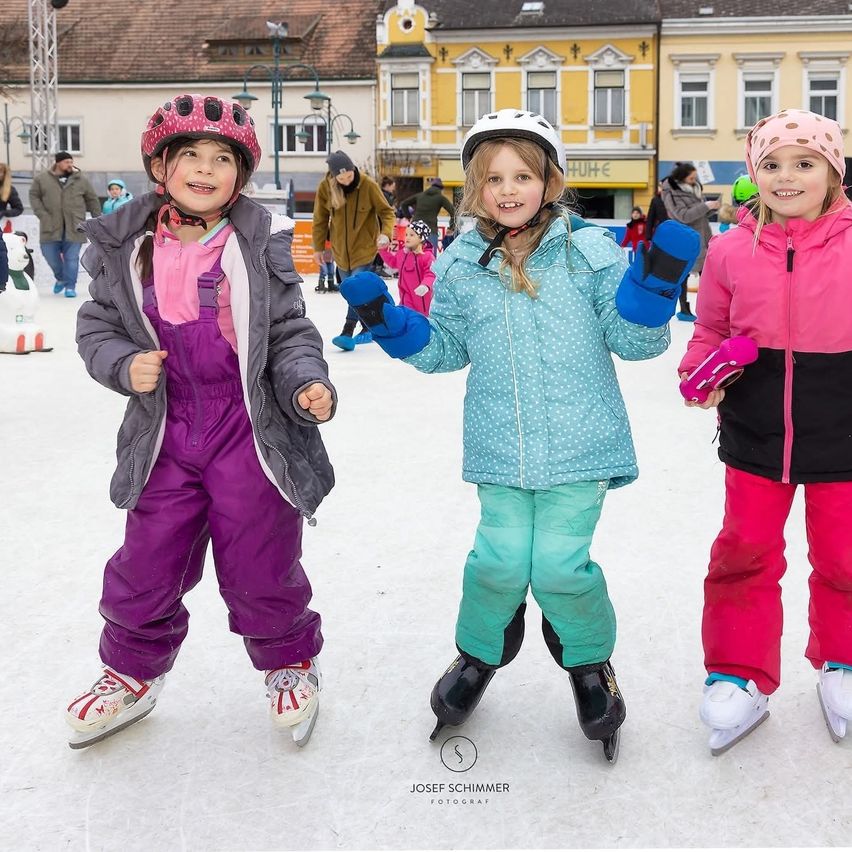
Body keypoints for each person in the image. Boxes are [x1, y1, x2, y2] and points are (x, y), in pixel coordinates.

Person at [338, 109, 699, 761]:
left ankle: (590, 667)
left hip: (580, 445)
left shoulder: (589, 253)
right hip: (501, 448)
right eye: (494, 178)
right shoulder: (460, 265)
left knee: (560, 568)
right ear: (475, 188)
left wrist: (650, 298)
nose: (508, 189)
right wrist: (394, 326)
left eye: (523, 175)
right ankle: (478, 656)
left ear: (549, 181)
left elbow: (631, 342)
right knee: (498, 564)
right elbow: (447, 348)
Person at [66, 93, 336, 750]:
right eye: (191, 155)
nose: (206, 169)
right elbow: (97, 325)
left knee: (260, 556)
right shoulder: (125, 245)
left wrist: (306, 381)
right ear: (161, 166)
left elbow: (290, 330)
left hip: (247, 427)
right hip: (165, 430)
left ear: (240, 177)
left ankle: (287, 663)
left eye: (223, 159)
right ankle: (129, 674)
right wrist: (125, 363)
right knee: (147, 557)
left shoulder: (257, 241)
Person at [679, 108, 852, 754]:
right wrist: (701, 374)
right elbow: (710, 333)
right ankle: (739, 674)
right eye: (771, 164)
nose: (786, 177)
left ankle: (844, 658)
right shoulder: (729, 250)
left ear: (831, 174)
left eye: (805, 163)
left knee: (844, 557)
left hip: (842, 431)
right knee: (743, 553)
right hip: (754, 432)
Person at [311, 149, 395, 351]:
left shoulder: (367, 185)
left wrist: (385, 233)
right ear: (333, 175)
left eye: (348, 174)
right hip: (341, 253)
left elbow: (386, 212)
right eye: (341, 176)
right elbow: (320, 220)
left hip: (365, 249)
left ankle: (347, 331)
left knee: (355, 289)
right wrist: (318, 248)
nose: (346, 179)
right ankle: (371, 323)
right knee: (352, 292)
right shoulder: (326, 188)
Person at [29, 151, 101, 298]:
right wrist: (42, 214)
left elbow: (92, 200)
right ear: (58, 163)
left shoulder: (81, 179)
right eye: (67, 162)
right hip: (50, 225)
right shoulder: (42, 179)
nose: (70, 164)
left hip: (75, 225)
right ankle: (61, 278)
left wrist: (97, 219)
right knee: (49, 255)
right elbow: (33, 196)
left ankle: (70, 286)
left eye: (71, 161)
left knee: (72, 258)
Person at [662, 162, 720, 322]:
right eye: (691, 177)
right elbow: (683, 216)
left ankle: (709, 310)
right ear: (682, 178)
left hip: (702, 237)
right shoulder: (671, 193)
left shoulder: (694, 189)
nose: (695, 180)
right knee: (683, 276)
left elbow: (699, 215)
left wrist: (711, 208)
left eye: (695, 177)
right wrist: (705, 206)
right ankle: (684, 309)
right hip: (685, 240)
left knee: (708, 275)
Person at [378, 219, 435, 315]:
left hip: (422, 302)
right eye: (406, 235)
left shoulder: (427, 256)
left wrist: (425, 285)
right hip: (405, 300)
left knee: (420, 323)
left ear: (421, 238)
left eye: (412, 235)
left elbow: (431, 274)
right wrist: (383, 250)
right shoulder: (403, 254)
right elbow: (393, 262)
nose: (407, 238)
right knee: (405, 319)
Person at [397, 177, 456, 252]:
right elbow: (453, 212)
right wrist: (451, 227)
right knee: (429, 255)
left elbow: (404, 204)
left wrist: (409, 217)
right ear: (441, 189)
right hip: (431, 229)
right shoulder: (440, 198)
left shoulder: (420, 196)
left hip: (415, 229)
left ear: (431, 186)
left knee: (413, 255)